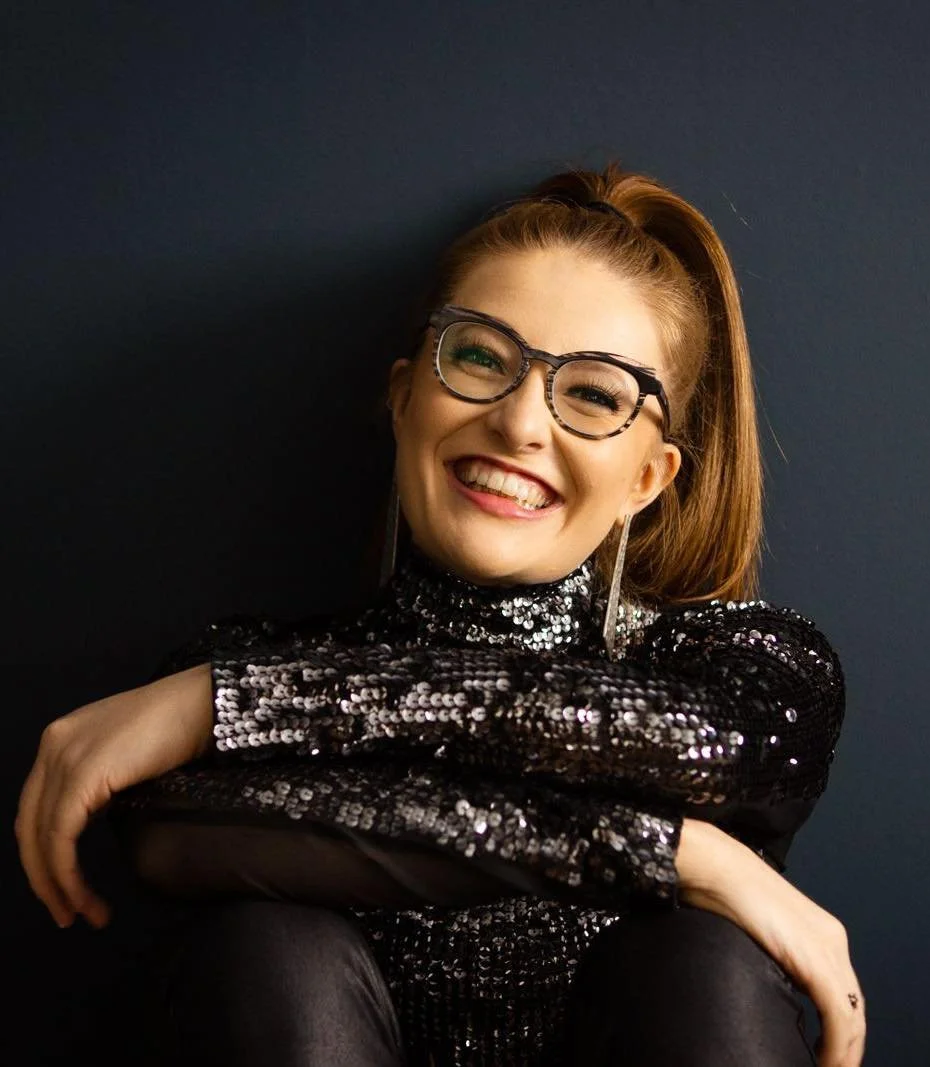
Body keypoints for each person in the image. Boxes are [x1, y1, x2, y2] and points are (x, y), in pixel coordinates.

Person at [15, 161, 866, 1067]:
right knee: (271, 951)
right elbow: (172, 834)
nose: (519, 425)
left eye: (591, 393)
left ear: (648, 478)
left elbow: (706, 743)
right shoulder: (255, 658)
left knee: (701, 965)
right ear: (403, 397)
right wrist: (672, 855)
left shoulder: (745, 664)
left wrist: (222, 704)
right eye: (479, 356)